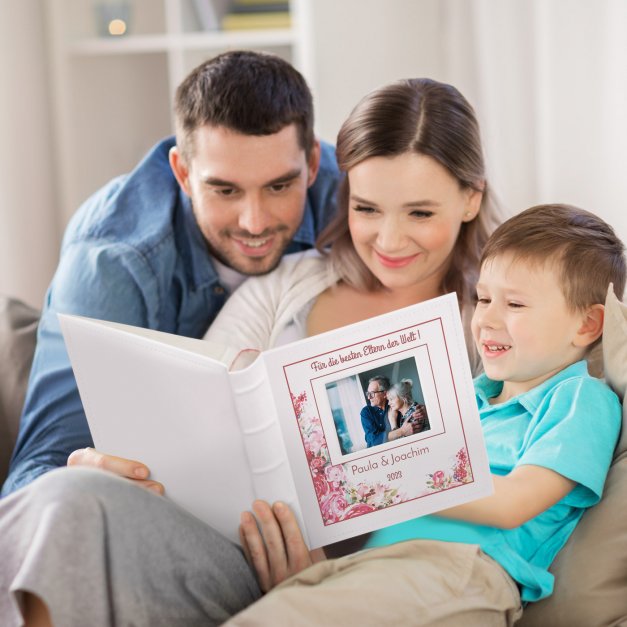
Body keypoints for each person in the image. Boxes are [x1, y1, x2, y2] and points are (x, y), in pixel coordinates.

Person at [0, 77, 500, 626]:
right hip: (214, 545)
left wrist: (321, 579)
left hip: (353, 582)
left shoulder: (489, 326)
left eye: (420, 214)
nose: (389, 239)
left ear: (470, 197)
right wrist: (113, 465)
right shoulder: (292, 281)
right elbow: (193, 400)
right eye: (367, 209)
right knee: (70, 498)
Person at [225, 203, 624, 626]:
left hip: (460, 571)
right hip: (373, 566)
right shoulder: (464, 395)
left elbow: (513, 503)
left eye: (516, 305)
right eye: (484, 298)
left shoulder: (581, 399)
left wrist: (383, 475)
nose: (486, 318)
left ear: (586, 325)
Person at [1, 50, 341, 497]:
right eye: (224, 190)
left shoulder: (355, 200)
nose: (254, 221)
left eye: (279, 186)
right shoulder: (112, 263)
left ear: (312, 163)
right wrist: (80, 482)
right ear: (182, 172)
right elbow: (30, 479)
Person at [360, 375, 392, 447]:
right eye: (368, 393)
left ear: (384, 394)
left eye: (372, 393)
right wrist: (401, 432)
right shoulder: (366, 412)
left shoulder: (394, 405)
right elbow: (373, 440)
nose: (369, 397)